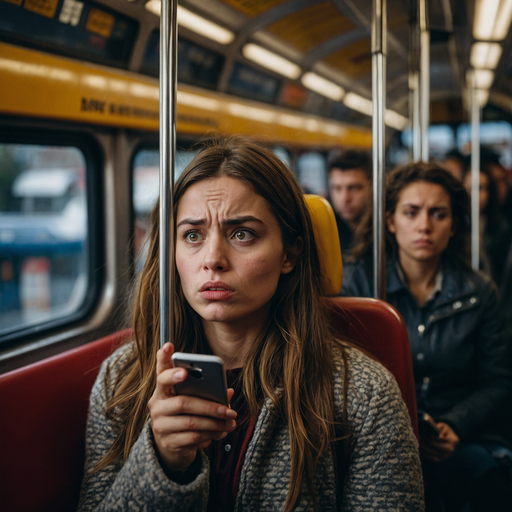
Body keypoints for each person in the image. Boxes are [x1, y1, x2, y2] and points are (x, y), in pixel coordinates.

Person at [78, 137, 424, 511]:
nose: (213, 259)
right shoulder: (123, 380)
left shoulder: (363, 394)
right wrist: (161, 462)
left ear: (289, 254)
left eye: (242, 234)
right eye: (192, 235)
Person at [342, 162, 512, 511]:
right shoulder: (357, 287)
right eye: (411, 212)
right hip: (376, 437)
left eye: (438, 214)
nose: (424, 226)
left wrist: (455, 424)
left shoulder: (479, 293)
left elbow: (498, 380)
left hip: (457, 435)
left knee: (488, 478)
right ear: (390, 221)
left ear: (453, 226)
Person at [462, 163, 510, 284]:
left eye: (480, 188)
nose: (474, 195)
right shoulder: (456, 227)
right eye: (469, 188)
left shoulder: (501, 228)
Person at [327, 149, 372, 255]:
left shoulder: (383, 231)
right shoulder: (325, 229)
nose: (345, 198)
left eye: (354, 188)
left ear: (371, 187)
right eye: (337, 188)